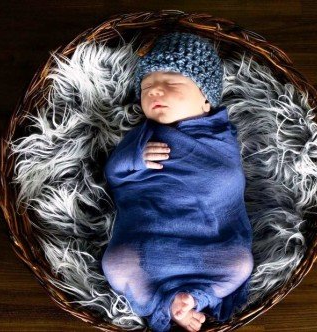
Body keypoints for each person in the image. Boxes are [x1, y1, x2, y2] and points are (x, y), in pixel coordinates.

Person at [101, 32, 254, 332]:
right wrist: (135, 158)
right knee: (116, 264)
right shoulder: (142, 137)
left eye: (170, 84)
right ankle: (170, 303)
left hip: (207, 245)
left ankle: (190, 300)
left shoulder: (220, 138)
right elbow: (114, 174)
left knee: (239, 263)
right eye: (146, 88)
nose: (155, 92)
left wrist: (208, 184)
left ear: (206, 99)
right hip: (150, 242)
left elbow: (229, 180)